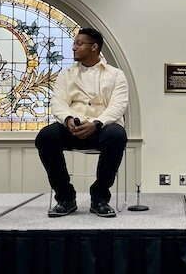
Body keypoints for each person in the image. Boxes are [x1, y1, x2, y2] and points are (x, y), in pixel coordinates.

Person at [36, 28, 128, 218]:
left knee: (117, 135)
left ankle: (100, 198)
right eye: (74, 43)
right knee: (45, 137)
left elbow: (118, 106)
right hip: (72, 127)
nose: (74, 47)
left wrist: (96, 123)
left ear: (94, 47)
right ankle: (65, 197)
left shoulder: (116, 75)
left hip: (102, 128)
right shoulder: (66, 74)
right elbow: (58, 102)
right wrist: (68, 119)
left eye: (79, 43)